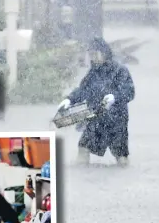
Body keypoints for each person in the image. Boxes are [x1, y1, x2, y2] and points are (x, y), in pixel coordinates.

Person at [57, 37, 136, 166]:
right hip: (96, 119)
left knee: (121, 157)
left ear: (104, 53)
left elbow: (129, 92)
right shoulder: (93, 73)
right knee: (83, 148)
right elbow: (83, 90)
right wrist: (69, 100)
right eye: (90, 54)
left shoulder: (120, 70)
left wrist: (114, 97)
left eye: (95, 54)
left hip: (116, 122)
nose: (92, 58)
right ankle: (83, 172)